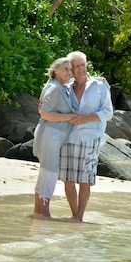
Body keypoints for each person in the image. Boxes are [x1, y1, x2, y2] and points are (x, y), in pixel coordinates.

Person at [40, 50, 113, 221]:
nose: (80, 69)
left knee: (86, 179)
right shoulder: (66, 87)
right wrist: (41, 107)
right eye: (76, 66)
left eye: (83, 65)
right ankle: (74, 215)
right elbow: (50, 97)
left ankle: (80, 216)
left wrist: (86, 118)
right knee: (68, 179)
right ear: (71, 69)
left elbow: (108, 112)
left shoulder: (100, 85)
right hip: (68, 136)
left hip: (90, 137)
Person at [33, 57, 78, 217]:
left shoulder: (61, 87)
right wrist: (69, 117)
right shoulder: (54, 88)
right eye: (65, 69)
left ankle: (40, 213)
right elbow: (45, 113)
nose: (69, 72)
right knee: (49, 174)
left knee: (46, 174)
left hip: (53, 136)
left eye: (70, 69)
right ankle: (44, 215)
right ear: (56, 70)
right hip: (49, 135)